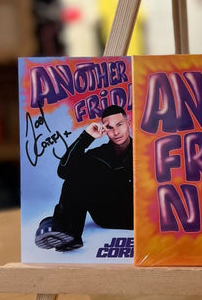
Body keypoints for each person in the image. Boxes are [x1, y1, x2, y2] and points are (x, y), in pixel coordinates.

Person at [35, 105, 133, 252]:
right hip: (108, 215)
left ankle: (56, 224)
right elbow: (64, 171)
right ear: (104, 130)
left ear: (128, 123)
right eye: (109, 127)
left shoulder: (145, 150)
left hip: (138, 215)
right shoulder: (98, 155)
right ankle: (68, 233)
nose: (116, 132)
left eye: (119, 124)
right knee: (77, 175)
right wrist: (87, 137)